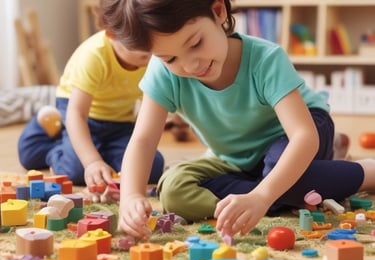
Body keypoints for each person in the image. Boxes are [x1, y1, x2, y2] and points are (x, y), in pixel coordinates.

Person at [101, 0, 375, 238]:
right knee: (173, 190)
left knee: (280, 173)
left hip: (302, 133)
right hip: (237, 159)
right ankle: (296, 182)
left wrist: (262, 197)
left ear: (218, 11)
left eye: (196, 43)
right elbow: (143, 140)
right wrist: (131, 196)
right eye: (170, 58)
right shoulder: (164, 73)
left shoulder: (265, 59)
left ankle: (365, 172)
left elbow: (304, 136)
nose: (190, 65)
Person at [17, 28, 165, 202]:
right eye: (139, 46)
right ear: (111, 34)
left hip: (119, 122)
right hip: (79, 114)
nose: (150, 53)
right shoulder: (95, 55)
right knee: (73, 170)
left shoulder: (154, 59)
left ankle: (90, 147)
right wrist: (92, 162)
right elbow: (77, 113)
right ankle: (51, 125)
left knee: (152, 166)